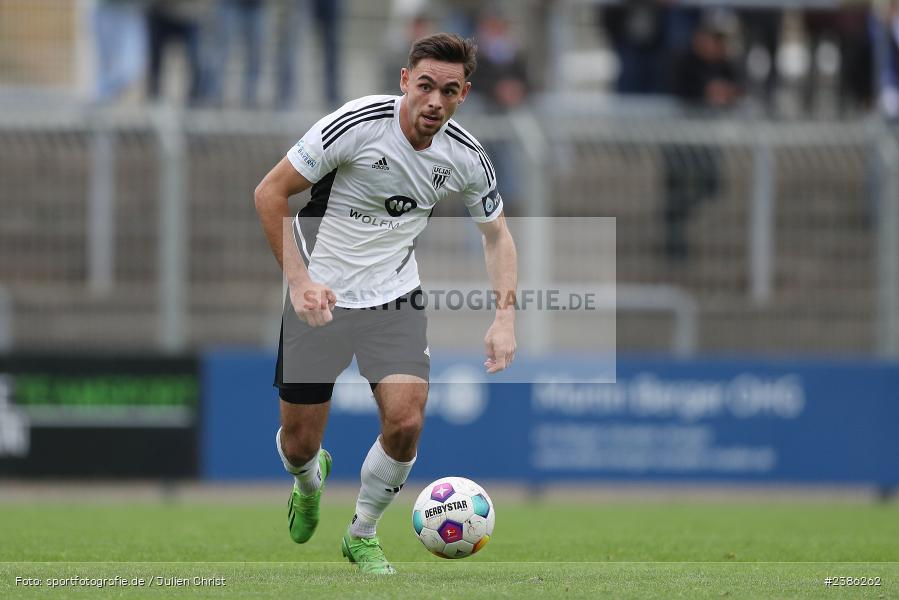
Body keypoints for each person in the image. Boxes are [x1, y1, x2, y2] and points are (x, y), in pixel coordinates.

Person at [253, 33, 517, 574]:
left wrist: (504, 318)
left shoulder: (467, 156)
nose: (435, 101)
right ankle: (308, 483)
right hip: (319, 297)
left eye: (449, 91)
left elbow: (497, 236)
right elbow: (269, 192)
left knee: (406, 421)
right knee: (299, 445)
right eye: (425, 86)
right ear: (405, 81)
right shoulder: (356, 124)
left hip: (394, 297)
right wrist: (299, 282)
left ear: (464, 94)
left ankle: (362, 533)